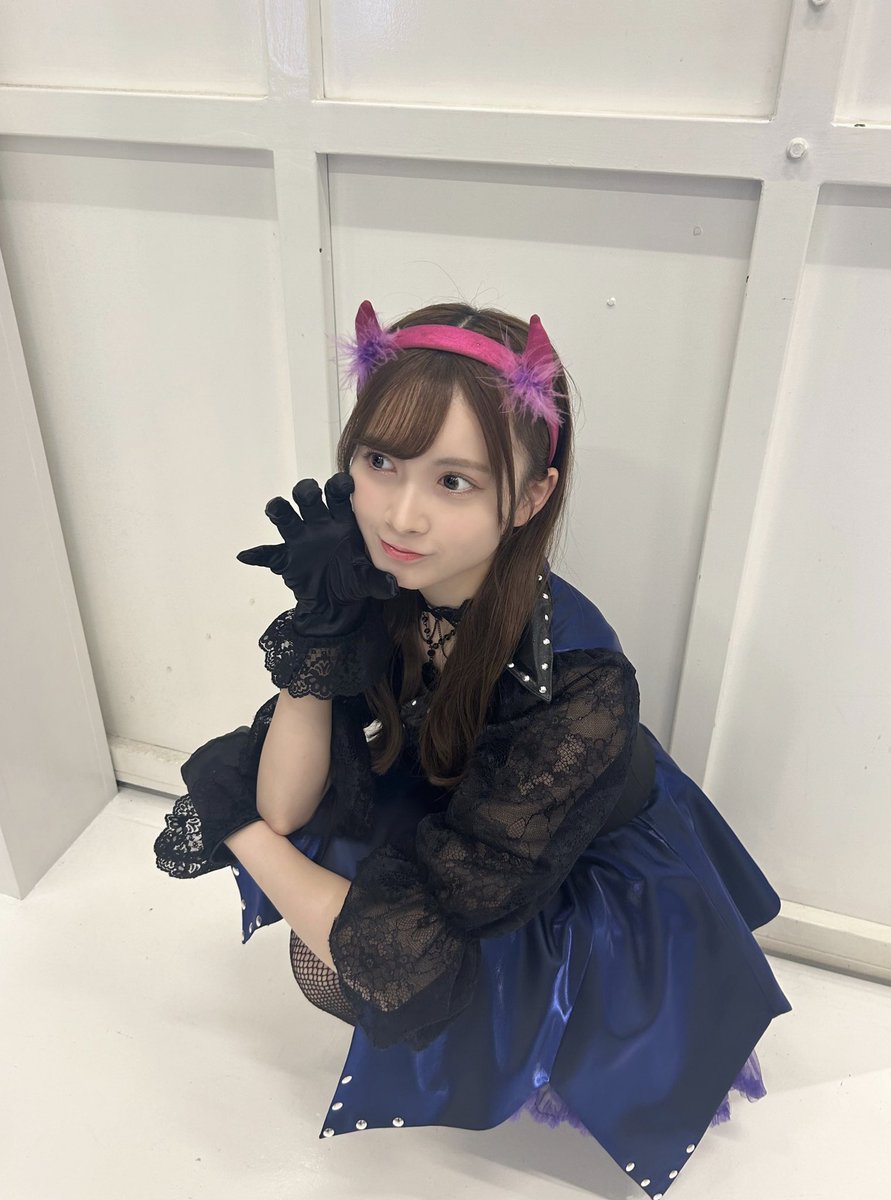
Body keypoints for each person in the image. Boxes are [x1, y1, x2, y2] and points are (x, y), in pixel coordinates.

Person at [154, 298, 791, 1198]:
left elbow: (403, 926)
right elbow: (288, 802)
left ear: (530, 496)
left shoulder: (580, 688)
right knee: (332, 857)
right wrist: (321, 634)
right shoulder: (387, 588)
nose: (402, 515)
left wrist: (238, 829)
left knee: (390, 954)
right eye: (380, 462)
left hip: (578, 866)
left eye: (454, 481)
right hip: (464, 804)